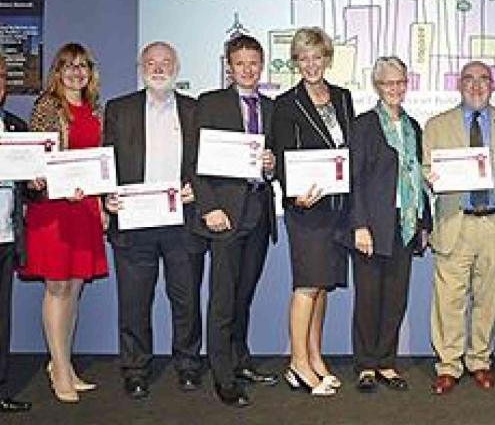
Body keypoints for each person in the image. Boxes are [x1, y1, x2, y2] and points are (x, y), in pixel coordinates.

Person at [103, 42, 208, 399]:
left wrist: (199, 188)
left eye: (165, 62)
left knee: (186, 299)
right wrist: (107, 195)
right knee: (134, 302)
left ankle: (189, 365)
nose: (158, 68)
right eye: (151, 62)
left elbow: (206, 163)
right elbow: (107, 162)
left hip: (183, 220)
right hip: (134, 222)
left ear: (177, 67)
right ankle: (135, 369)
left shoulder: (196, 110)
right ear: (140, 67)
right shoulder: (119, 109)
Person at [422, 61, 495, 395]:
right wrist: (429, 178)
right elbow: (423, 169)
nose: (476, 86)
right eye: (469, 79)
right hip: (455, 221)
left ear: (493, 85)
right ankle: (448, 364)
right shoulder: (436, 126)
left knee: (488, 297)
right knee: (448, 299)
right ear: (459, 85)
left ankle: (480, 360)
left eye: (483, 80)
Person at [191, 34, 278, 407]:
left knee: (244, 295)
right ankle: (223, 375)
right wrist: (208, 207)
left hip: (259, 212)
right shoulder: (209, 103)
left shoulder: (272, 108)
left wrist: (273, 168)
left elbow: (278, 163)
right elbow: (192, 161)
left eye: (254, 63)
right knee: (223, 299)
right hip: (223, 215)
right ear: (229, 66)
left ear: (262, 65)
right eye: (240, 63)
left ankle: (241, 361)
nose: (248, 69)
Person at [19, 43, 108, 403]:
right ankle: (57, 367)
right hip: (54, 211)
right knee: (57, 288)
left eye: (82, 66)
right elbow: (34, 163)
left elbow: (99, 162)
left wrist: (100, 204)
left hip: (84, 208)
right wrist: (56, 186)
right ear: (57, 71)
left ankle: (64, 365)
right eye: (69, 66)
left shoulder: (94, 109)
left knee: (74, 288)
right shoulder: (47, 106)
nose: (76, 72)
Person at [273, 27, 354, 397]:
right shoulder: (286, 103)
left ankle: (315, 357)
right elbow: (280, 158)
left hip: (337, 207)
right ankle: (298, 364)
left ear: (327, 58)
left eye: (316, 57)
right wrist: (294, 196)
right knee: (306, 285)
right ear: (295, 62)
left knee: (322, 286)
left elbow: (348, 152)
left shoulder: (343, 97)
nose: (310, 64)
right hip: (306, 210)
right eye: (303, 58)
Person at [348, 56, 431, 393]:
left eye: (400, 82)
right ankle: (366, 365)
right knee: (368, 298)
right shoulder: (364, 125)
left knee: (396, 298)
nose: (394, 89)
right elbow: (353, 180)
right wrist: (359, 225)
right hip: (372, 224)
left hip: (405, 224)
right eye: (387, 83)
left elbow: (419, 178)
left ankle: (386, 362)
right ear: (377, 86)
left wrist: (424, 224)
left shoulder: (414, 126)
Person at [0, 53, 32, 413]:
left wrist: (38, 181)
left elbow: (30, 188)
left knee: (1, 319)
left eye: (2, 79)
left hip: (7, 236)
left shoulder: (16, 127)